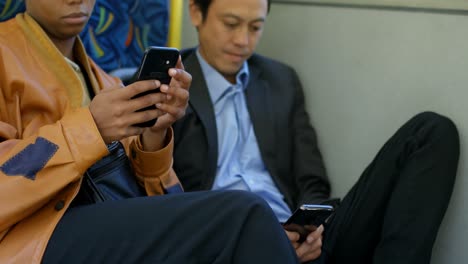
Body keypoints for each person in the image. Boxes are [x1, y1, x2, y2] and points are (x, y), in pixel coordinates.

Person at [0, 0, 300, 263]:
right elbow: (9, 176)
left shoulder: (106, 82)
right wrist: (90, 129)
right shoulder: (5, 57)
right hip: (35, 234)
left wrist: (154, 134)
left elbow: (156, 193)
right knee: (243, 213)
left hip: (108, 216)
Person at [172, 0, 461, 263]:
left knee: (433, 132)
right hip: (233, 245)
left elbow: (312, 181)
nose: (243, 41)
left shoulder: (281, 81)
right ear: (196, 12)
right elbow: (162, 201)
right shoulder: (171, 88)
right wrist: (256, 239)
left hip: (302, 238)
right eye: (231, 24)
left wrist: (309, 230)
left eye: (256, 27)